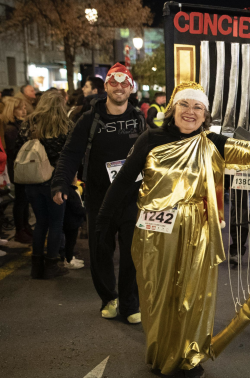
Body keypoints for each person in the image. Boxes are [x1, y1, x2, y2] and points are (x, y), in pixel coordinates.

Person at [96, 81, 250, 378]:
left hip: (197, 230)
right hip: (155, 232)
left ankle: (187, 357)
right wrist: (102, 224)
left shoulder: (211, 141)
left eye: (198, 107)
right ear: (173, 109)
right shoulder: (150, 139)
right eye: (185, 104)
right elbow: (121, 183)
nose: (190, 112)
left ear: (205, 114)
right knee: (158, 296)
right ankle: (161, 354)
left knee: (193, 297)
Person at [51, 63, 145, 323]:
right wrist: (60, 182)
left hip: (131, 199)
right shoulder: (89, 119)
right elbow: (70, 153)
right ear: (106, 87)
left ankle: (129, 302)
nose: (119, 87)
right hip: (99, 198)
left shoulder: (138, 117)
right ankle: (109, 298)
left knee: (132, 253)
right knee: (101, 251)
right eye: (113, 83)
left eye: (124, 83)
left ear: (131, 88)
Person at [15, 91, 70, 279]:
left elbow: (18, 144)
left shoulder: (29, 123)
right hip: (55, 181)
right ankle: (52, 264)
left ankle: (36, 266)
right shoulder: (65, 125)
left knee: (40, 222)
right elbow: (69, 153)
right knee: (56, 223)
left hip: (32, 179)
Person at [0, 96, 32, 243]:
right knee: (20, 200)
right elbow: (14, 150)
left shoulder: (19, 125)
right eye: (20, 108)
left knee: (24, 200)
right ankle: (20, 230)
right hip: (16, 168)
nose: (24, 111)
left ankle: (25, 227)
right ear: (11, 111)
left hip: (21, 167)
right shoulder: (11, 128)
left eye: (24, 108)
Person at [61, 179, 85, 269]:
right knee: (70, 242)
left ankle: (69, 257)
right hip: (71, 222)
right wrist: (85, 212)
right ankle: (69, 260)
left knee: (70, 242)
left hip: (71, 221)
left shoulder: (71, 189)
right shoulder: (70, 191)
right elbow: (77, 208)